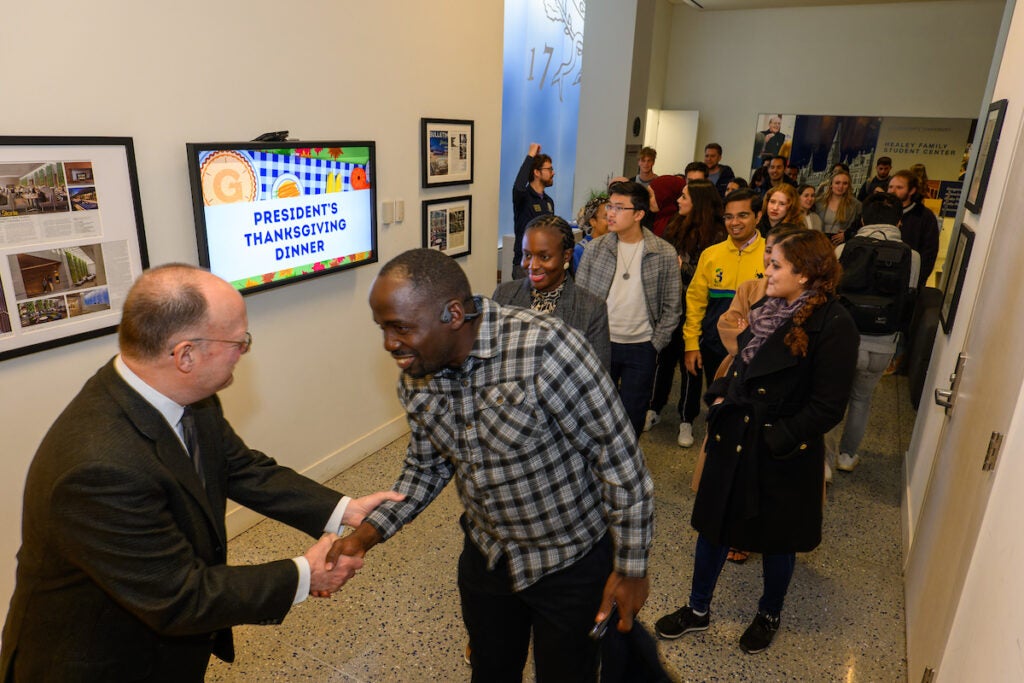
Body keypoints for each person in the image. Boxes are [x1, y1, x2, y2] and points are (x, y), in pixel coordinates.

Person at [0, 264, 402, 681]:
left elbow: (240, 468)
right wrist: (305, 573)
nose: (244, 352)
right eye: (238, 341)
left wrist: (345, 510)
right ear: (186, 354)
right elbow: (179, 596)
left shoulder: (184, 394)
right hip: (99, 662)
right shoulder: (101, 469)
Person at [333, 248, 655, 682]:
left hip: (569, 564)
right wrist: (366, 535)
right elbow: (426, 467)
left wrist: (631, 568)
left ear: (452, 314)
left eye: (400, 327)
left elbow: (619, 463)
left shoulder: (548, 349)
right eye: (383, 328)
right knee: (491, 671)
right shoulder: (417, 372)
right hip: (488, 558)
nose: (390, 343)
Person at [656, 230, 858, 654]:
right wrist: (720, 393)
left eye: (776, 265)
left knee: (776, 539)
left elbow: (828, 406)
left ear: (804, 275)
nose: (767, 272)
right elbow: (744, 361)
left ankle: (769, 613)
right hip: (735, 434)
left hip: (780, 448)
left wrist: (776, 438)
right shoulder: (770, 306)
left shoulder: (835, 324)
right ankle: (697, 610)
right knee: (713, 528)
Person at [577, 180, 682, 437]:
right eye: (610, 206)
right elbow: (580, 300)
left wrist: (655, 342)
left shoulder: (663, 252)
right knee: (597, 412)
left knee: (633, 414)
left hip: (641, 346)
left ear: (638, 214)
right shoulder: (595, 249)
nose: (610, 213)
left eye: (619, 208)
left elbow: (672, 306)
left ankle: (627, 467)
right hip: (601, 343)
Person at [830, 193, 920, 476]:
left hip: (844, 340)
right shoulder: (912, 256)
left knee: (832, 397)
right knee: (862, 399)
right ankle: (847, 455)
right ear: (900, 221)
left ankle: (824, 465)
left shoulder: (843, 249)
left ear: (864, 219)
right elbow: (909, 300)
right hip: (882, 344)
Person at [682, 189, 767, 441]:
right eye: (729, 217)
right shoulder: (711, 255)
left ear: (758, 216)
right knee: (717, 396)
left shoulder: (771, 254)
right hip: (714, 344)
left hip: (758, 348)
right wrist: (690, 344)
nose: (734, 222)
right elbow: (695, 302)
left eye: (742, 215)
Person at [646, 180, 726, 447]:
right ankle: (654, 408)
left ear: (698, 202)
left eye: (683, 196)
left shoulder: (716, 237)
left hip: (697, 313)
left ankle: (686, 420)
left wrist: (681, 268)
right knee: (662, 361)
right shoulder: (674, 226)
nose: (678, 200)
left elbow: (708, 279)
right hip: (670, 308)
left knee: (691, 366)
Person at [494, 214, 610, 369]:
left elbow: (598, 378)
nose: (533, 265)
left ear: (566, 256)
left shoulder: (592, 309)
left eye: (544, 257)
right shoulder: (504, 295)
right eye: (527, 255)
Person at [888, 169, 939, 290]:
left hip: (908, 282)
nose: (892, 191)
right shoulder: (881, 211)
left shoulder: (925, 216)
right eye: (890, 187)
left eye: (899, 187)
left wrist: (917, 282)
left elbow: (929, 253)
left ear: (912, 190)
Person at [511, 143, 555, 278]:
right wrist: (530, 155)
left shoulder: (548, 201)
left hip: (543, 265)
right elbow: (518, 186)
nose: (553, 172)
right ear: (536, 172)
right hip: (525, 265)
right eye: (549, 169)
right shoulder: (523, 197)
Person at [815, 169, 861, 245]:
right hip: (819, 243)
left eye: (845, 183)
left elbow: (861, 225)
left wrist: (848, 234)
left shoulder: (856, 205)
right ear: (831, 185)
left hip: (842, 245)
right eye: (837, 183)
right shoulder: (818, 202)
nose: (841, 186)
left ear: (848, 186)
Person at [573, 193, 609, 270]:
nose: (612, 221)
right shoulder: (580, 251)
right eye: (606, 217)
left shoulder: (614, 246)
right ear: (593, 221)